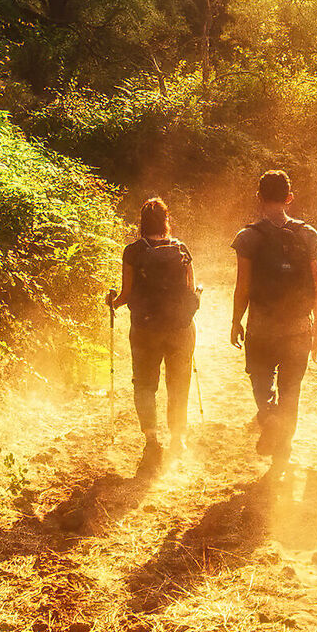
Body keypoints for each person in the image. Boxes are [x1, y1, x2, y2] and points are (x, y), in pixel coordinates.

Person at [230, 169, 317, 479]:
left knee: (261, 381)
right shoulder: (308, 234)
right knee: (291, 391)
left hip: (261, 327)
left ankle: (267, 414)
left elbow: (242, 285)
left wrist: (236, 321)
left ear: (259, 198)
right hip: (299, 328)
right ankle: (282, 455)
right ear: (290, 197)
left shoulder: (248, 237)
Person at [107, 197, 197, 471]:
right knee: (179, 382)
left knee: (145, 384)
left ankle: (151, 439)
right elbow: (191, 290)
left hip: (145, 328)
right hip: (181, 328)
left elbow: (126, 294)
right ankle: (178, 438)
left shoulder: (133, 251)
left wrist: (112, 301)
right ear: (166, 221)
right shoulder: (181, 249)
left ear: (141, 224)